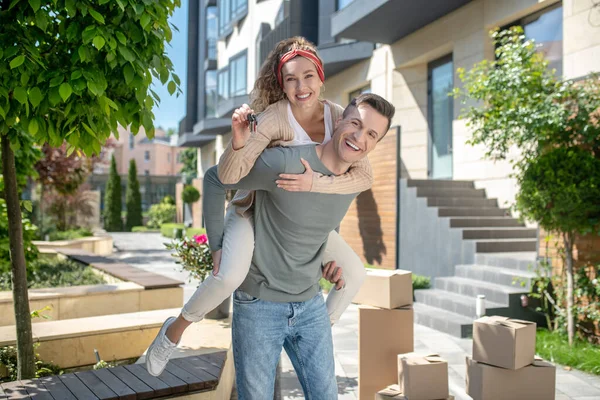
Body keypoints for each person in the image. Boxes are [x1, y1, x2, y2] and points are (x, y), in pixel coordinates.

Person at [146, 37, 373, 377]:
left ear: (321, 78)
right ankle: (173, 330)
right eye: (291, 79)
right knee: (229, 277)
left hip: (302, 223)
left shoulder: (340, 119)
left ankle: (312, 334)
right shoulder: (273, 119)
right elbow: (218, 177)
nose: (302, 86)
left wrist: (320, 239)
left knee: (354, 274)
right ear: (281, 84)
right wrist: (218, 244)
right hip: (253, 212)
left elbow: (358, 178)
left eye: (309, 76)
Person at [204, 93, 395, 398]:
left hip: (310, 306)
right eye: (355, 124)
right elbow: (216, 179)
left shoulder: (357, 178)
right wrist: (216, 246)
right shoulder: (287, 162)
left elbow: (319, 222)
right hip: (259, 305)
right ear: (338, 120)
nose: (360, 137)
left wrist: (322, 259)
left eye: (371, 134)